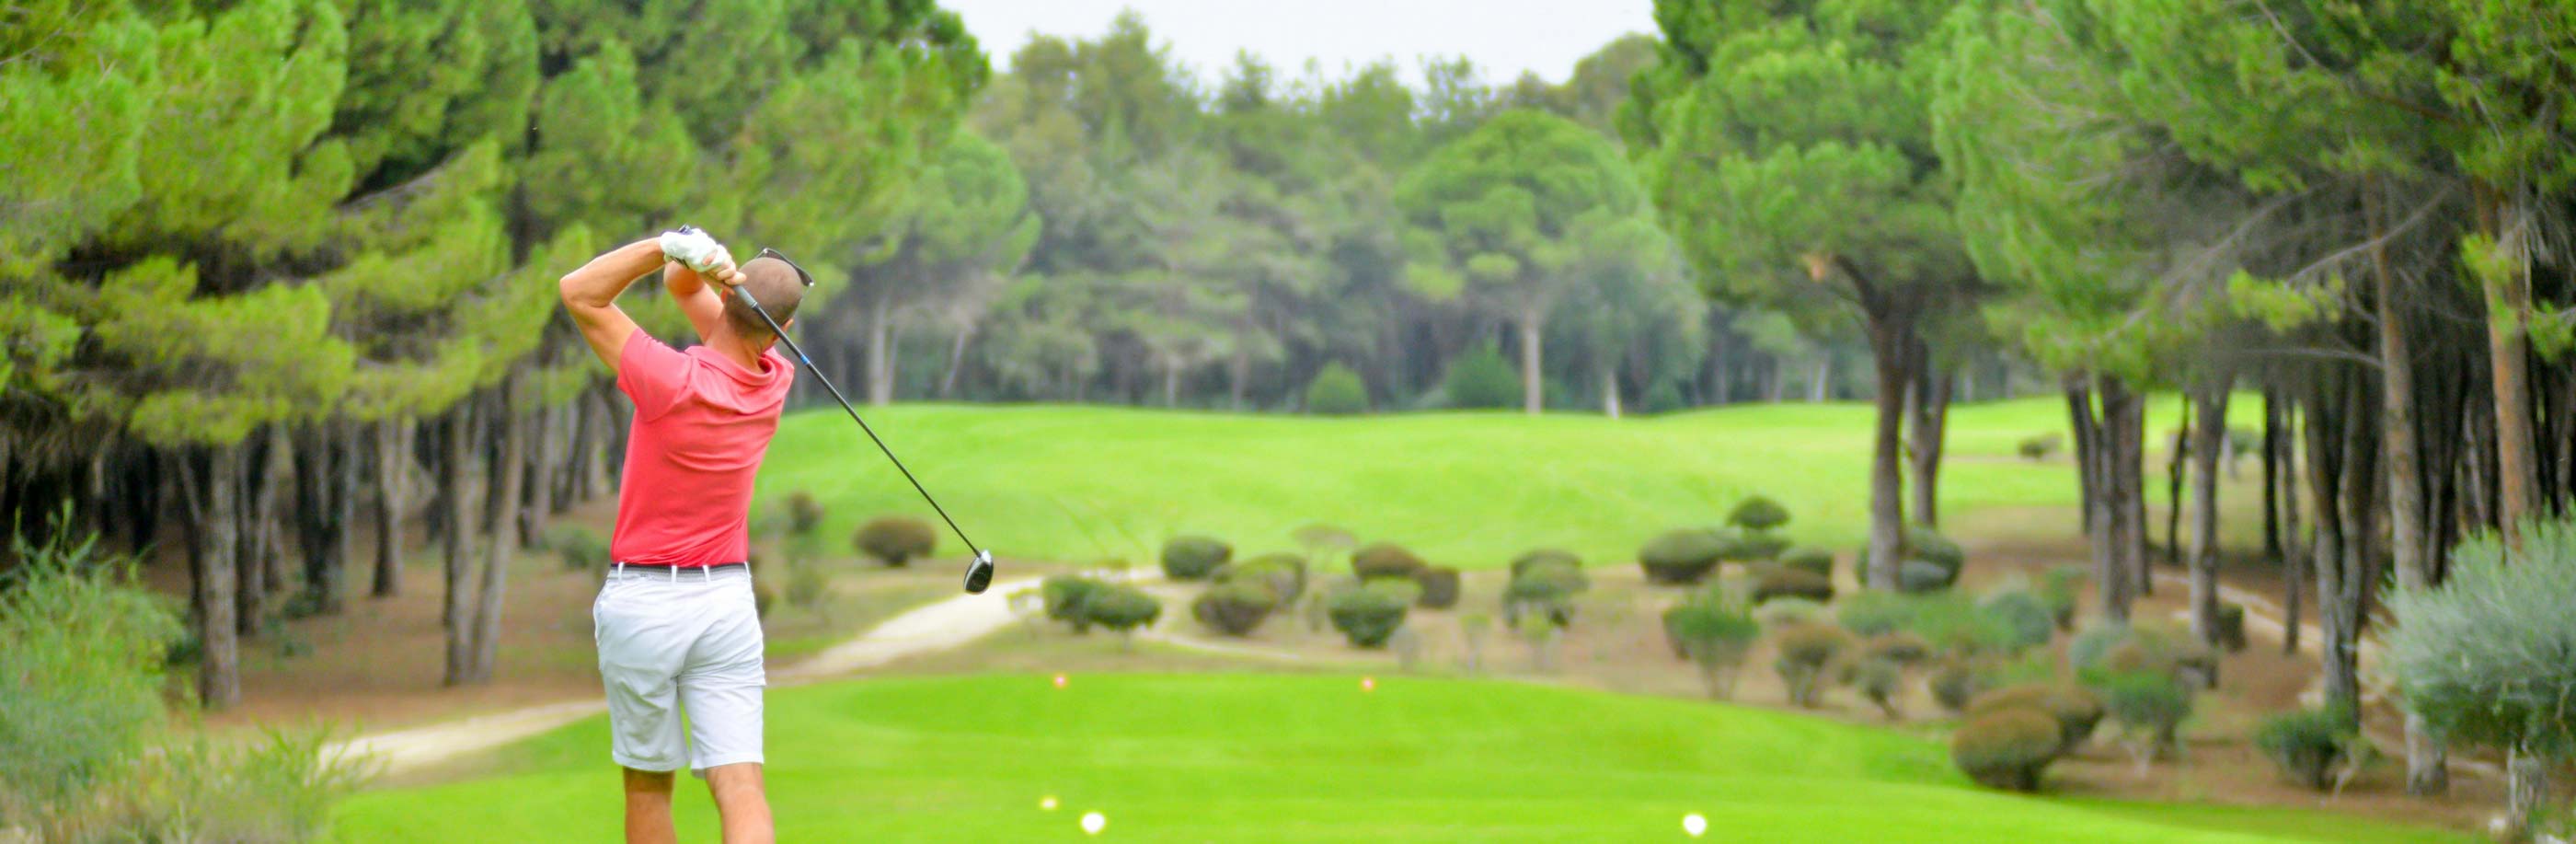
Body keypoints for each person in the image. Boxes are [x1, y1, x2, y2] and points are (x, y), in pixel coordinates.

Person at [558, 227, 808, 844]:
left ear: (728, 300)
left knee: (648, 783)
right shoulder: (775, 379)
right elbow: (699, 301)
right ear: (782, 331)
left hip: (644, 602)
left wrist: (667, 245)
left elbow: (580, 293)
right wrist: (696, 271)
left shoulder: (669, 379)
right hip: (725, 604)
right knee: (742, 784)